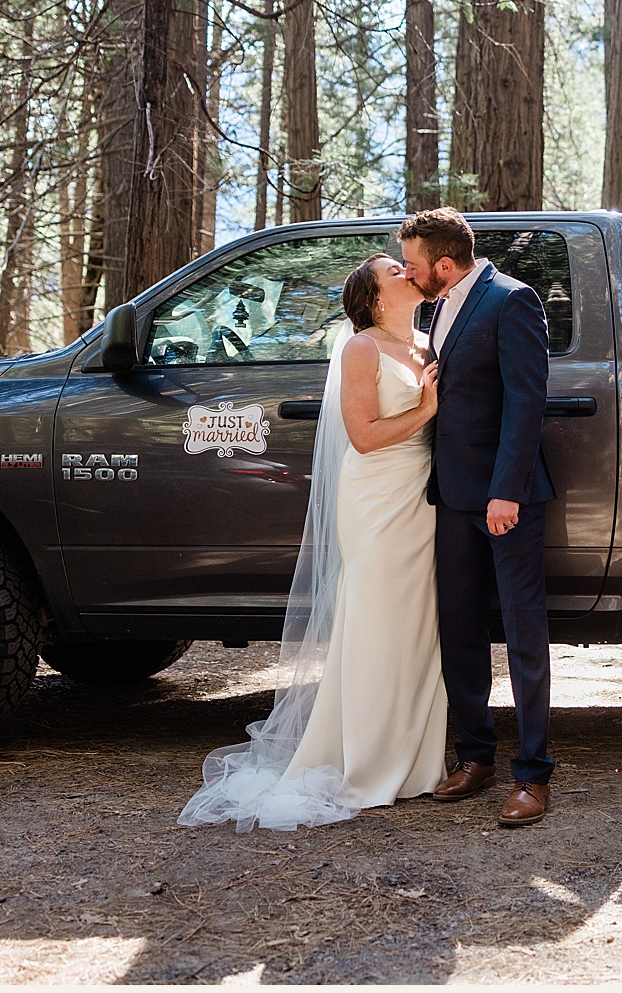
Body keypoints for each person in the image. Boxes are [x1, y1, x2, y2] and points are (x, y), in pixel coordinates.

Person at [180, 253, 447, 831]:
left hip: (420, 497)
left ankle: (415, 763)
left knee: (416, 623)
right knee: (375, 619)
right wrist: (427, 406)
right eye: (394, 272)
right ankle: (364, 761)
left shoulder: (427, 342)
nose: (408, 273)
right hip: (376, 496)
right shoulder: (361, 348)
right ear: (374, 298)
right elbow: (364, 436)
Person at [401, 207, 559, 827]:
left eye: (413, 263)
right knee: (459, 629)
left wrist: (506, 491)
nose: (408, 273)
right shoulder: (437, 305)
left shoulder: (511, 301)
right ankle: (475, 755)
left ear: (444, 263)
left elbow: (527, 402)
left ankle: (533, 774)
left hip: (504, 499)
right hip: (452, 496)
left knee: (523, 635)